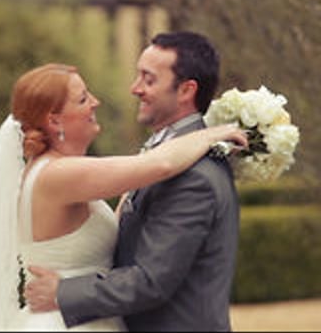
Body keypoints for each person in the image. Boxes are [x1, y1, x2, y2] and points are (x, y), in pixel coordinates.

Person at [0, 60, 245, 331]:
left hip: (82, 315)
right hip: (66, 321)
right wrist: (210, 134)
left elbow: (119, 212)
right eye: (83, 98)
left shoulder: (59, 174)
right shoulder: (58, 174)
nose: (95, 102)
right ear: (54, 120)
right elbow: (160, 164)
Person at [24, 31, 240, 331]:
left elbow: (151, 281)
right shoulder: (166, 156)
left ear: (186, 91)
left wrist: (64, 292)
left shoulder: (193, 175)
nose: (134, 88)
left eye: (148, 79)